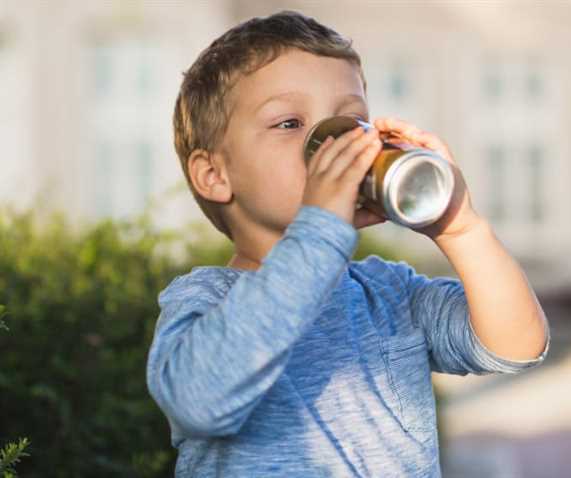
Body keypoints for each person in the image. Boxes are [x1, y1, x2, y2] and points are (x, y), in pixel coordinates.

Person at [145, 10, 550, 477]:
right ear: (215, 175)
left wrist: (461, 228)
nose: (333, 143)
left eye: (352, 122)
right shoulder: (205, 299)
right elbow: (199, 402)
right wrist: (319, 229)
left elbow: (516, 345)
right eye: (290, 123)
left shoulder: (388, 293)